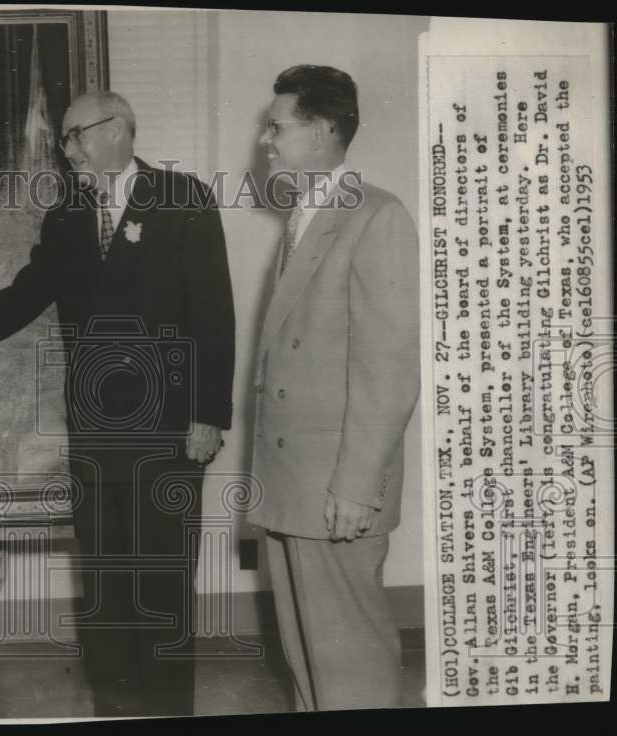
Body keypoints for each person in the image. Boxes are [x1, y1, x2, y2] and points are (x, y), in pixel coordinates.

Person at [0, 91, 236, 717]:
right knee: (105, 592)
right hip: (95, 431)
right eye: (64, 139)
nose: (68, 150)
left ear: (120, 130)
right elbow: (21, 298)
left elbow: (214, 313)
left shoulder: (183, 199)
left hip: (168, 432)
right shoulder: (67, 217)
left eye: (78, 135)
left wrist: (209, 415)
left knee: (161, 587)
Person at [246, 65, 420, 710]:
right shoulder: (307, 217)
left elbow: (390, 366)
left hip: (333, 491)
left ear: (321, 131)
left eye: (278, 126)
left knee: (352, 671)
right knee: (308, 668)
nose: (267, 140)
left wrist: (355, 485)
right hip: (294, 486)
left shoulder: (376, 216)